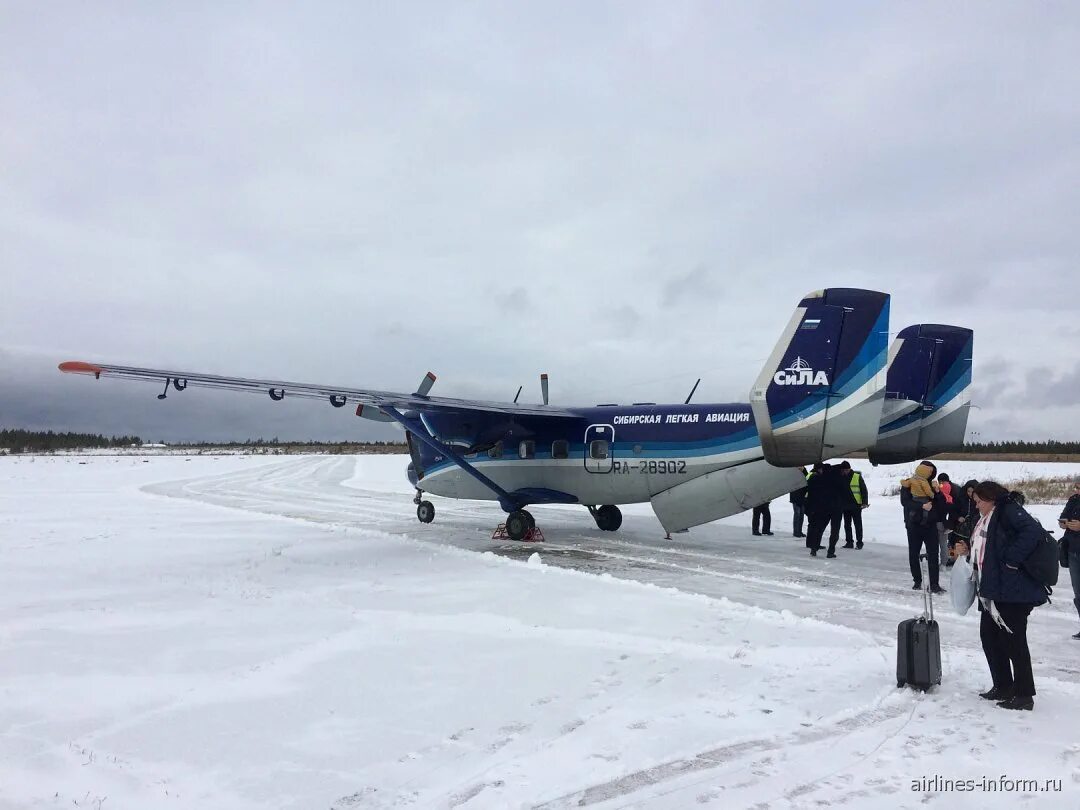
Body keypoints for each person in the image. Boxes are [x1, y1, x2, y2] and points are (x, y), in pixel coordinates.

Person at [969, 481, 1049, 710]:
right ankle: (1003, 685)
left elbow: (1032, 532)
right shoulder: (989, 517)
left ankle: (1024, 695)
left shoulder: (1008, 509)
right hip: (993, 589)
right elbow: (987, 545)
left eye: (978, 502)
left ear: (990, 499)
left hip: (1013, 591)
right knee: (990, 638)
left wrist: (1011, 559)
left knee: (1014, 642)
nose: (976, 506)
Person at [900, 461, 947, 593]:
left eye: (932, 472)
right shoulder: (910, 483)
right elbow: (905, 502)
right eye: (929, 471)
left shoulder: (932, 485)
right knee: (913, 553)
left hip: (930, 525)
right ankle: (917, 581)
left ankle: (934, 584)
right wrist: (921, 506)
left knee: (933, 554)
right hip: (913, 524)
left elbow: (941, 504)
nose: (930, 474)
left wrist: (938, 492)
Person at [805, 463, 843, 558]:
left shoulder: (816, 479)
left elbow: (810, 494)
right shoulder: (837, 479)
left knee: (819, 529)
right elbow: (845, 492)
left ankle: (814, 548)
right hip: (836, 508)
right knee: (835, 531)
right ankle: (831, 551)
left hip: (822, 508)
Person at [1058, 482, 1080, 640]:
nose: (1077, 490)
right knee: (1078, 591)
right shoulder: (1073, 500)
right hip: (1073, 550)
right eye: (1077, 487)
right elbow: (1064, 515)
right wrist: (1063, 523)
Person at [838, 460, 869, 549]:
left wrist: (864, 502)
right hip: (845, 505)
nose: (844, 472)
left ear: (849, 469)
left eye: (845, 470)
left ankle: (859, 542)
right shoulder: (841, 477)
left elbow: (863, 490)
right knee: (847, 525)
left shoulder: (857, 476)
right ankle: (849, 542)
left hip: (856, 505)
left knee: (857, 524)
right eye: (843, 470)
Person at [949, 479, 979, 562]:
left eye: (972, 492)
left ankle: (970, 559)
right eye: (968, 491)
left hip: (973, 528)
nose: (970, 494)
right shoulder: (960, 498)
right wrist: (958, 517)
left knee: (970, 545)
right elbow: (953, 511)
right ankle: (953, 558)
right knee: (955, 544)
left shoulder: (979, 500)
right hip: (959, 528)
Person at [936, 473, 955, 568]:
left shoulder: (939, 496)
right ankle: (944, 562)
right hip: (944, 522)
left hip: (936, 522)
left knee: (934, 544)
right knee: (943, 544)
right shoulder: (949, 498)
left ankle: (934, 562)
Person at [790, 468, 808, 538]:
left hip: (802, 498)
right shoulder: (794, 474)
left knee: (801, 515)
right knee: (797, 514)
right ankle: (796, 532)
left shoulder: (804, 472)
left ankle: (799, 531)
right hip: (795, 498)